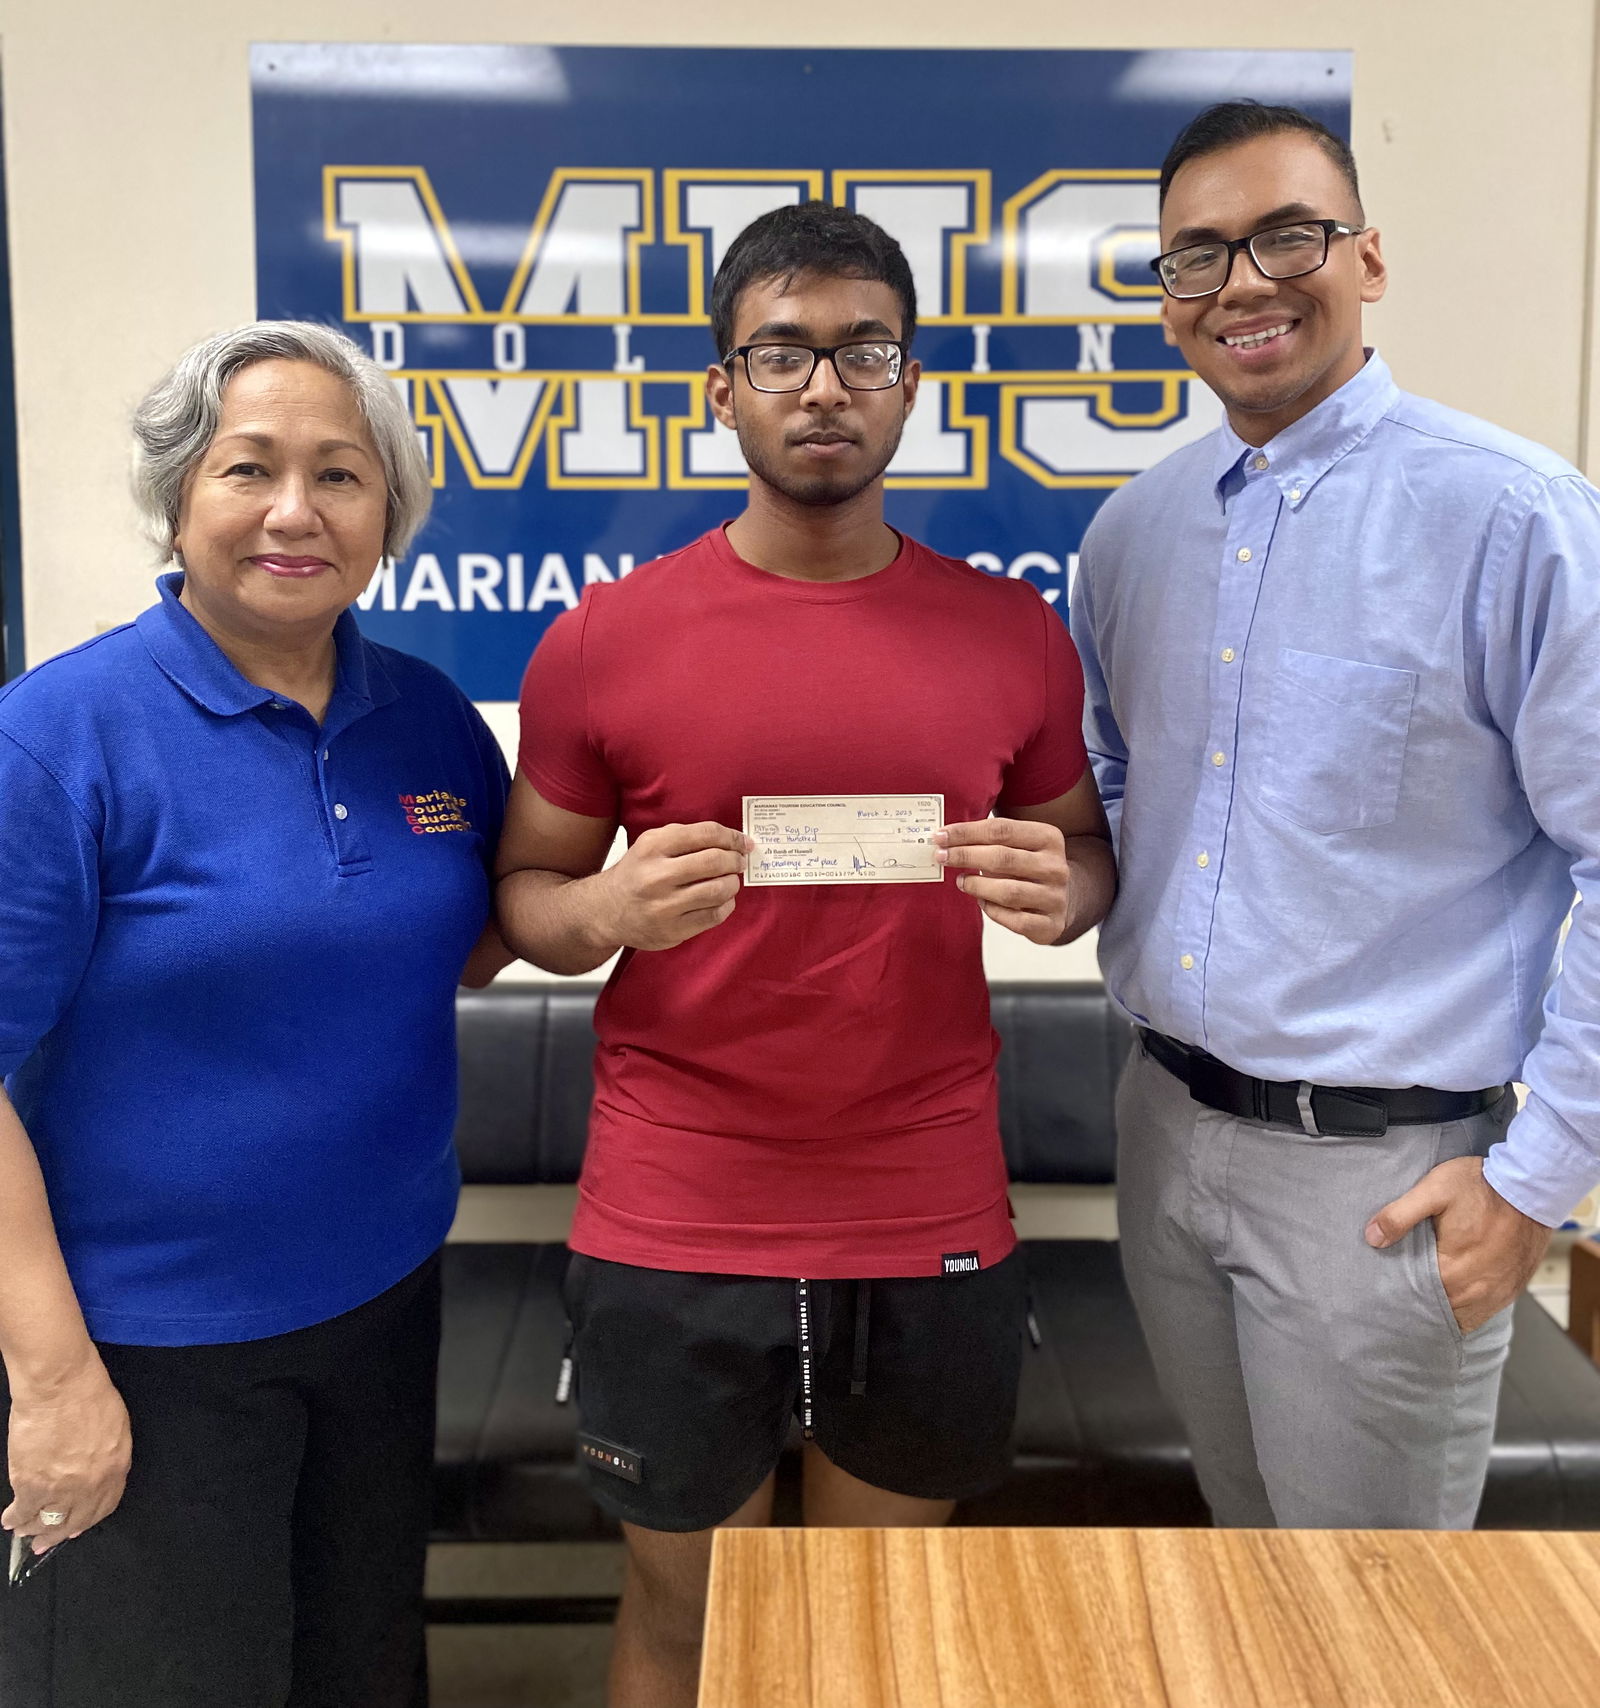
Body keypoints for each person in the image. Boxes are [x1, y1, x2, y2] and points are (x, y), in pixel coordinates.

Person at [496, 201, 1114, 1707]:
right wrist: (610, 915)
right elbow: (526, 897)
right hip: (673, 1207)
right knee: (690, 1625)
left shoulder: (1015, 637)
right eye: (781, 351)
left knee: (875, 1639)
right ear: (722, 387)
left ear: (913, 385)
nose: (823, 385)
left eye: (863, 351)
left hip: (925, 1204)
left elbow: (1087, 857)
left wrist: (1064, 892)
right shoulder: (603, 643)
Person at [1070, 101, 1600, 1529]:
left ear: (1367, 257)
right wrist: (1056, 874)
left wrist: (1541, 1175)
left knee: (1375, 1637)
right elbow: (1119, 794)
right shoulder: (1132, 536)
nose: (1242, 283)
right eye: (1197, 256)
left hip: (1388, 1180)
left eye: (1285, 236)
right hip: (1167, 1133)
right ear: (1167, 297)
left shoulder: (1515, 517)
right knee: (1251, 1576)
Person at [0, 322, 510, 1706]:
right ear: (179, 498)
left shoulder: (431, 723)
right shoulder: (58, 740)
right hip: (147, 1350)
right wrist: (49, 1387)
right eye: (251, 470)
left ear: (388, 514)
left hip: (383, 1305)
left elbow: (468, 939)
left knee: (357, 1669)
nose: (297, 511)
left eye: (342, 476)